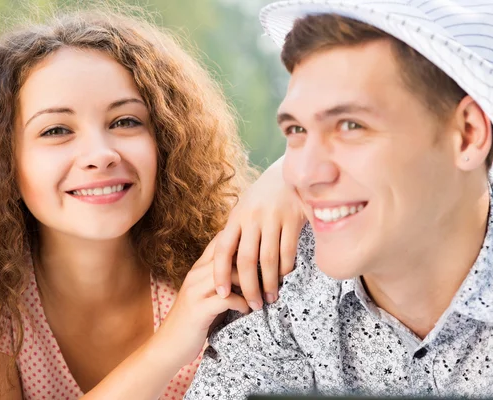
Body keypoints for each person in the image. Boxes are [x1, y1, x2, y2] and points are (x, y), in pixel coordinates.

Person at [0, 7, 300, 400]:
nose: (99, 153)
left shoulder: (218, 266)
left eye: (125, 121)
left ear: (165, 140)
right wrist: (172, 342)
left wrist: (284, 175)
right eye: (56, 130)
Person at [186, 0, 493, 398]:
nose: (304, 174)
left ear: (467, 134)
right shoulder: (281, 285)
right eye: (296, 130)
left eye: (350, 125)